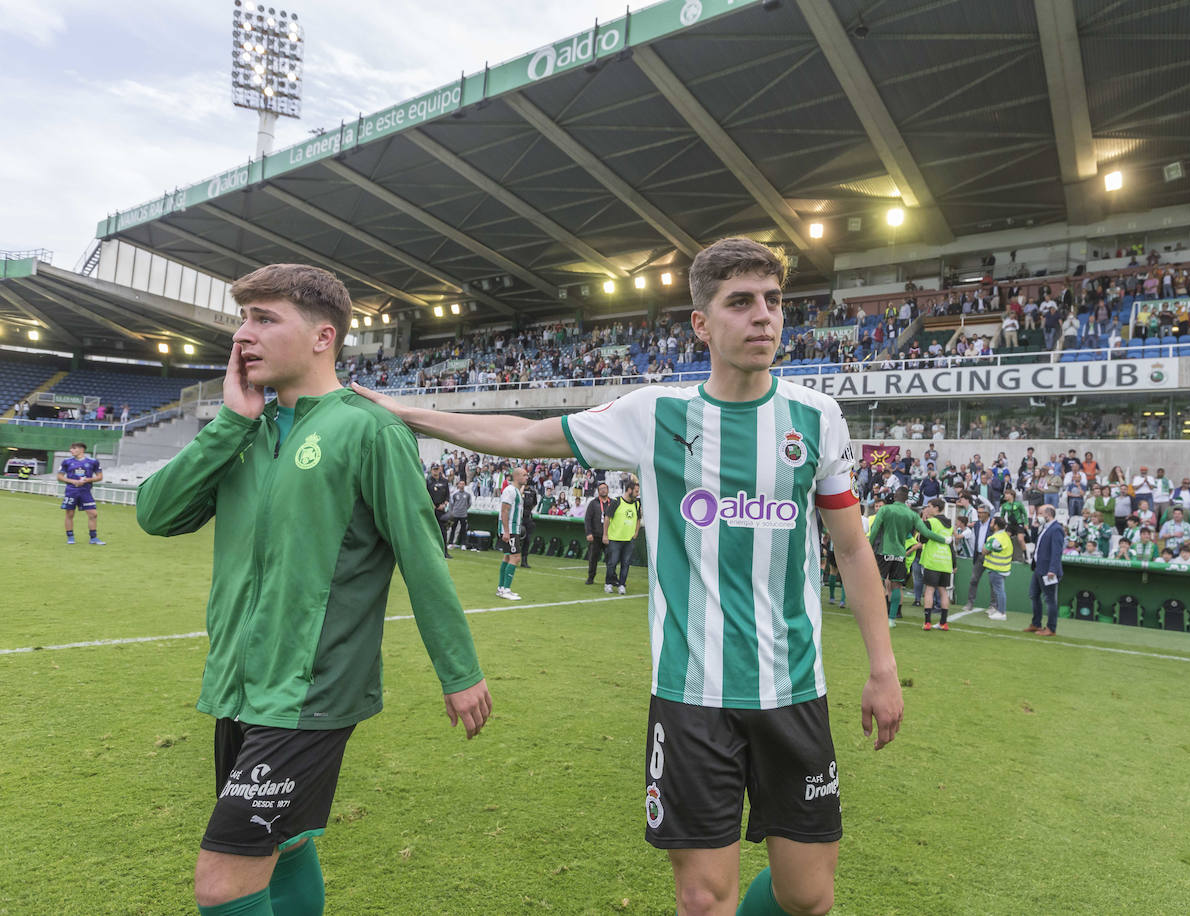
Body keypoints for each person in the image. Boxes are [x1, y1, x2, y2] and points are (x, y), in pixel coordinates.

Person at [351, 237, 903, 916]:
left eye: (773, 300)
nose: (764, 316)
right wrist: (408, 412)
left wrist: (882, 667)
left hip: (793, 689)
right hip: (691, 694)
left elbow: (851, 550)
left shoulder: (817, 418)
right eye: (741, 302)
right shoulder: (655, 416)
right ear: (701, 323)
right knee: (702, 899)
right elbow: (524, 435)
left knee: (808, 897)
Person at [136, 263, 492, 916]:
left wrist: (459, 669)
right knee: (290, 845)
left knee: (222, 882)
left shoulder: (368, 430)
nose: (244, 335)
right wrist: (230, 421)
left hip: (311, 691)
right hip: (238, 683)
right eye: (243, 318)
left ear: (324, 336)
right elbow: (155, 514)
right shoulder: (243, 433)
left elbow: (422, 557)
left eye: (265, 318)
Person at [867, 488, 949, 627]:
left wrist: (868, 547)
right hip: (900, 553)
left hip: (884, 551)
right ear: (906, 499)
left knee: (878, 584)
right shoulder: (912, 514)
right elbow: (926, 533)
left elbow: (874, 530)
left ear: (894, 497)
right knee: (896, 586)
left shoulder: (885, 510)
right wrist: (944, 540)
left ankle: (876, 615)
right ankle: (891, 619)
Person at [917, 498, 955, 630]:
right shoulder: (950, 524)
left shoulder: (931, 522)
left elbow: (922, 539)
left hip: (933, 560)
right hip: (945, 561)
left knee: (929, 590)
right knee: (943, 591)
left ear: (937, 508)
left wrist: (923, 522)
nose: (927, 509)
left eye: (930, 506)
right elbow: (951, 545)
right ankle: (943, 622)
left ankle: (927, 622)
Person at [1025, 505, 1064, 636]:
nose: (1038, 516)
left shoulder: (1056, 529)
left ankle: (1051, 628)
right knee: (1034, 595)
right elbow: (1036, 542)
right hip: (1038, 568)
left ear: (1048, 514)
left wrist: (1052, 569)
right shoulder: (1046, 528)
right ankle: (1036, 623)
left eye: (1040, 513)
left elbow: (1057, 552)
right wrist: (1035, 528)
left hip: (1048, 571)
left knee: (1050, 599)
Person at [58, 441, 105, 545]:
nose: (71, 450)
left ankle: (93, 538)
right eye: (71, 448)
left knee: (93, 514)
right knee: (69, 514)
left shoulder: (93, 461)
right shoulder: (66, 461)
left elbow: (100, 477)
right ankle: (70, 537)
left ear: (81, 449)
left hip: (85, 491)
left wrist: (87, 480)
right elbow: (60, 476)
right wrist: (73, 481)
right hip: (71, 491)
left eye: (74, 448)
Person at [604, 479, 642, 594]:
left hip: (629, 540)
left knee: (626, 564)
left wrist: (636, 532)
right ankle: (608, 583)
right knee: (613, 562)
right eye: (636, 491)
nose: (637, 494)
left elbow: (638, 519)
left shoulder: (636, 503)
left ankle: (622, 585)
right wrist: (605, 534)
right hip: (615, 538)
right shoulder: (616, 501)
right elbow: (607, 518)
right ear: (629, 490)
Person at [497, 465, 528, 599]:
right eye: (524, 475)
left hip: (511, 529)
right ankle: (506, 590)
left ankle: (501, 587)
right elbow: (504, 511)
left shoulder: (515, 490)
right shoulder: (510, 491)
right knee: (515, 557)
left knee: (508, 556)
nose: (527, 477)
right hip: (510, 529)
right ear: (516, 476)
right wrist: (507, 531)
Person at [962, 505, 994, 613]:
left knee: (993, 582)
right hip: (979, 556)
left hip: (991, 556)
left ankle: (993, 606)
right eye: (978, 512)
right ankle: (970, 603)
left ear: (987, 514)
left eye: (981, 512)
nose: (979, 514)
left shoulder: (993, 525)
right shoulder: (976, 525)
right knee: (973, 580)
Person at [982, 517, 1013, 621]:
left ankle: (1001, 612)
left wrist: (985, 546)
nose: (990, 524)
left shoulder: (996, 537)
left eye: (991, 522)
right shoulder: (1005, 536)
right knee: (999, 591)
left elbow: (984, 551)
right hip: (1003, 568)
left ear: (996, 526)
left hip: (996, 568)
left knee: (999, 591)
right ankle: (999, 610)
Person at [583, 482, 612, 585]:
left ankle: (610, 579)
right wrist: (588, 533)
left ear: (608, 490)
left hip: (609, 536)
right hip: (595, 535)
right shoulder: (593, 503)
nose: (603, 490)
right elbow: (587, 519)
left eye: (605, 488)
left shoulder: (613, 503)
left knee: (610, 559)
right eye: (601, 489)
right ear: (598, 491)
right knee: (593, 558)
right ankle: (591, 577)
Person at [426, 464, 455, 559]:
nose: (435, 471)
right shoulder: (428, 481)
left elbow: (447, 495)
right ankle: (430, 552)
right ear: (431, 470)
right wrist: (432, 505)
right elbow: (425, 494)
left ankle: (444, 552)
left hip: (442, 509)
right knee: (430, 530)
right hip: (431, 509)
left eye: (437, 469)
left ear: (439, 470)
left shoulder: (444, 481)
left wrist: (445, 504)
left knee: (443, 531)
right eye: (434, 469)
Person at [444, 477, 472, 550]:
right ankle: (451, 543)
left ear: (465, 485)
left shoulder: (467, 495)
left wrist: (465, 509)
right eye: (460, 484)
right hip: (455, 514)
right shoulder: (455, 494)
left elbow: (469, 504)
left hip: (463, 514)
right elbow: (451, 504)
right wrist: (452, 512)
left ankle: (463, 544)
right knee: (453, 528)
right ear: (458, 485)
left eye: (463, 484)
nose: (462, 485)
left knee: (463, 530)